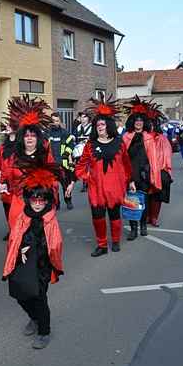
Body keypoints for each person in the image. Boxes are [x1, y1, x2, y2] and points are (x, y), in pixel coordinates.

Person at [2, 159, 64, 350]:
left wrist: (40, 251)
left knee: (39, 298)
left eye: (42, 200)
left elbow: (55, 244)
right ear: (28, 199)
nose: (37, 204)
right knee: (20, 295)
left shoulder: (49, 219)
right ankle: (34, 317)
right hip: (23, 263)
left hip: (42, 267)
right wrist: (17, 255)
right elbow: (14, 239)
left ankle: (44, 331)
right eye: (34, 199)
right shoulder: (24, 216)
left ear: (47, 200)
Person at [75, 96, 133, 255]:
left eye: (102, 123)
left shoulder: (119, 142)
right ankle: (101, 245)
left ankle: (115, 241)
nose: (100, 126)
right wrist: (87, 177)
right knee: (98, 217)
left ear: (108, 125)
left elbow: (127, 164)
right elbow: (80, 165)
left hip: (115, 188)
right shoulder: (90, 144)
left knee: (115, 216)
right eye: (97, 124)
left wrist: (130, 181)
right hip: (97, 189)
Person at [0, 95, 62, 231]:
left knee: (41, 239)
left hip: (40, 202)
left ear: (38, 138)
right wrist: (4, 184)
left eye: (33, 136)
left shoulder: (45, 155)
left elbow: (54, 178)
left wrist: (49, 194)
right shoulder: (14, 155)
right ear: (22, 138)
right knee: (18, 236)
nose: (29, 138)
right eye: (26, 135)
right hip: (19, 202)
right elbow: (7, 174)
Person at [122, 96, 164, 239]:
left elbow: (153, 159)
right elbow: (122, 158)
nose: (138, 123)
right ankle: (133, 229)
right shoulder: (126, 137)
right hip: (130, 173)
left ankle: (143, 225)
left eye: (140, 120)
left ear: (144, 122)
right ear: (132, 122)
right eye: (136, 120)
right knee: (131, 201)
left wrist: (154, 174)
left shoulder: (149, 137)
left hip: (144, 174)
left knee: (144, 201)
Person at [148, 107, 173, 227]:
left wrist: (163, 169)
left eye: (153, 124)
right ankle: (147, 215)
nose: (151, 127)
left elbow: (167, 155)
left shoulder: (162, 139)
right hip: (146, 170)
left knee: (157, 196)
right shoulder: (143, 137)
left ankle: (154, 217)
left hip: (159, 170)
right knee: (147, 195)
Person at [47, 112, 75, 210]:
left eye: (57, 121)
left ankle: (68, 201)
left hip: (62, 164)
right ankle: (56, 203)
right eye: (53, 121)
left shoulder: (64, 133)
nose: (55, 123)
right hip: (51, 165)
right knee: (53, 186)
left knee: (65, 185)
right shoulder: (47, 133)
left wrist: (66, 154)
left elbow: (71, 144)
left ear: (60, 121)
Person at [0, 121, 17, 241]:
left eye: (10, 124)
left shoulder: (21, 143)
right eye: (7, 125)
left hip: (16, 179)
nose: (7, 127)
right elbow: (0, 162)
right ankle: (11, 228)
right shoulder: (3, 145)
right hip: (5, 179)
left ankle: (16, 230)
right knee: (6, 206)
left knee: (16, 207)